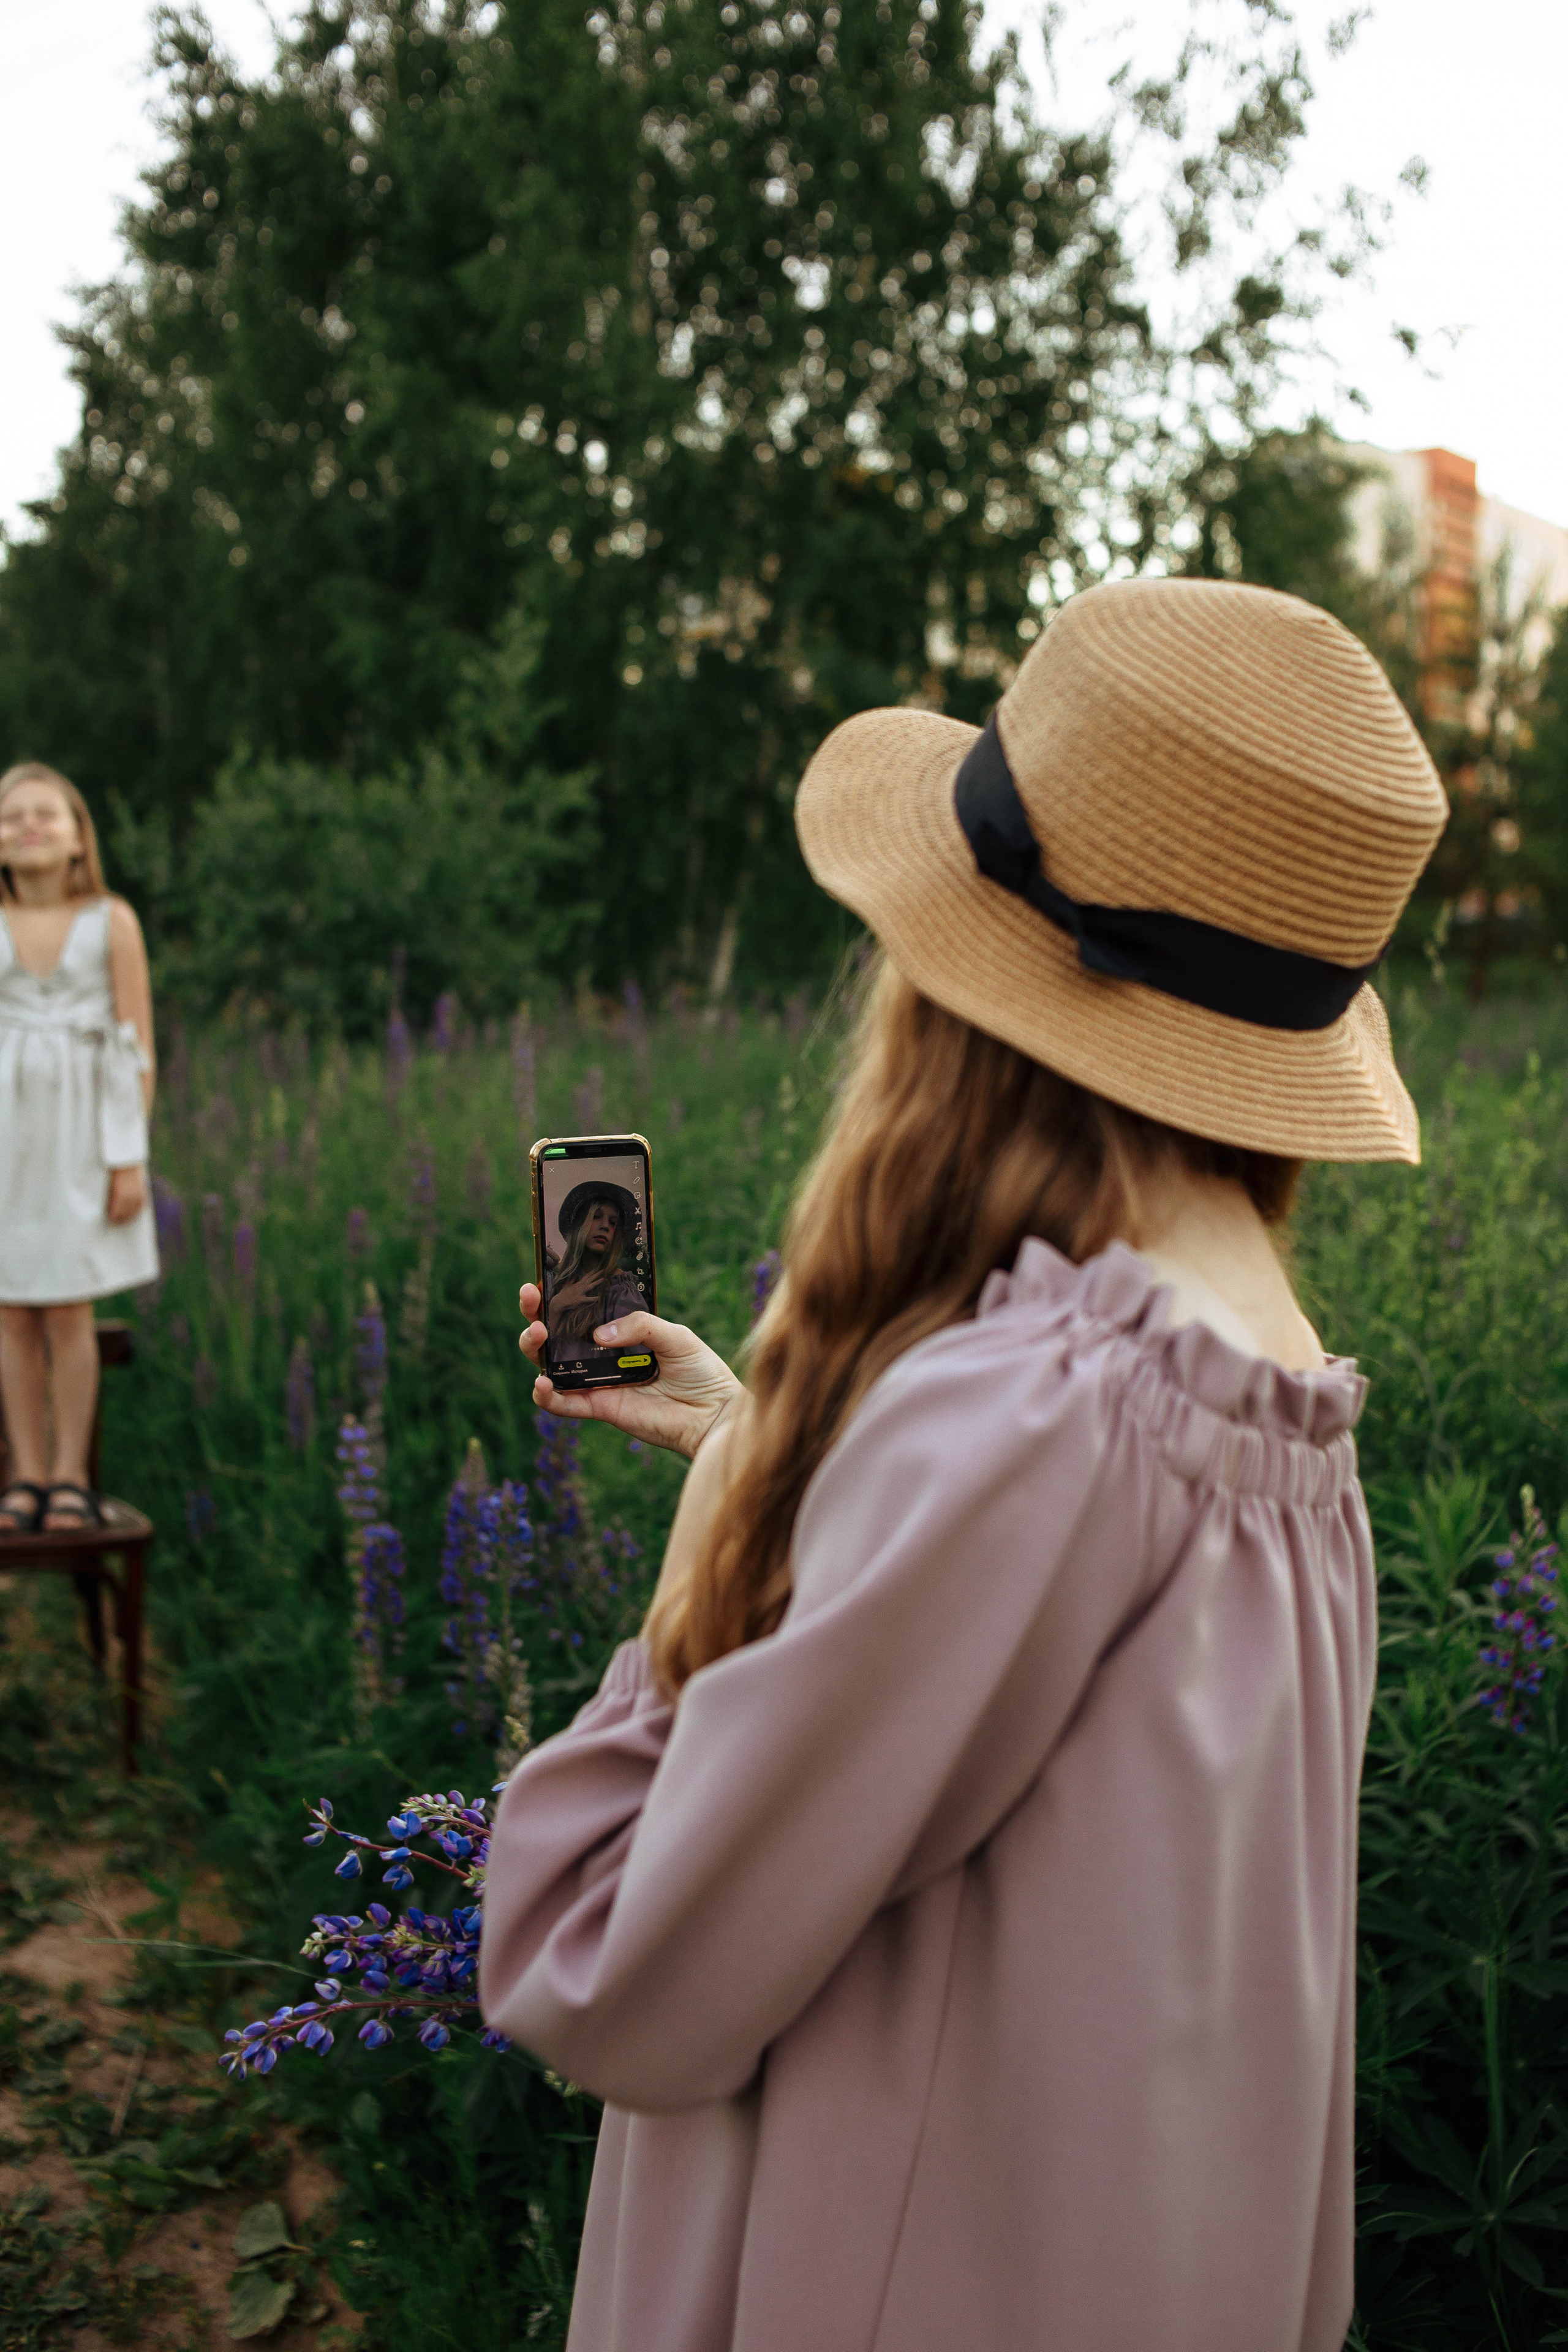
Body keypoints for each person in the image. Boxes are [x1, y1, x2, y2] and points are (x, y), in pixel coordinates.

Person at [479, 578, 1447, 2352]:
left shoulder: (1034, 1418)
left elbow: (609, 1964)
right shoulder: (1273, 1389)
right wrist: (781, 1442)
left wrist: (722, 1547)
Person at [0, 763, 157, 1533]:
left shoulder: (109, 921)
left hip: (80, 1145)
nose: (27, 825)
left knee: (67, 1309)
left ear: (76, 837)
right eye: (11, 815)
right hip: (5, 1144)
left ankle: (68, 1476)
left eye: (46, 814)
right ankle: (23, 1474)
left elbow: (135, 1046)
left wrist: (126, 1158)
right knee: (7, 1312)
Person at [543, 1180, 650, 1367]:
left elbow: (640, 1357)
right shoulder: (558, 1281)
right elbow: (544, 1353)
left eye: (613, 1222)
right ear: (579, 1225)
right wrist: (557, 1306)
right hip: (564, 1384)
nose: (605, 1226)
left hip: (613, 1389)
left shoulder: (621, 1290)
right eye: (596, 1216)